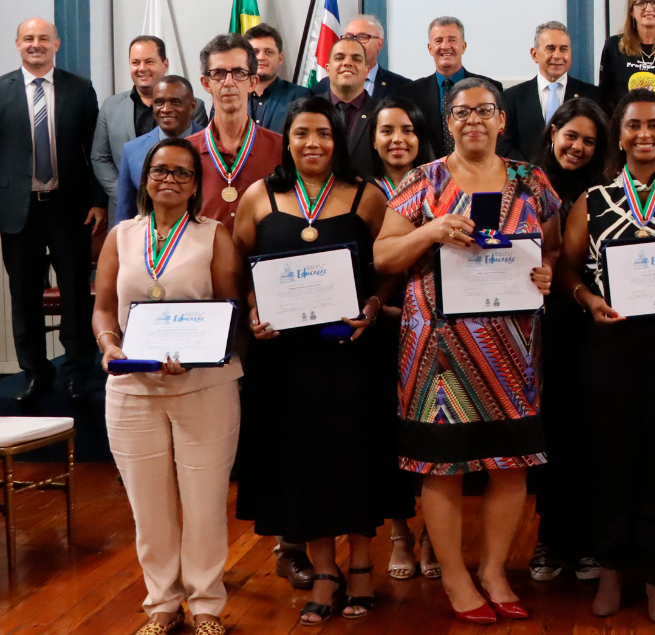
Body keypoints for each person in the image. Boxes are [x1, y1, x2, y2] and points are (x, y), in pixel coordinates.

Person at [375, 77, 561, 624]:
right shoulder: (422, 180)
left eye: (485, 110)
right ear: (447, 121)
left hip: (513, 350)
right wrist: (430, 231)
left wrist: (546, 275)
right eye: (462, 112)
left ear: (503, 120)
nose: (474, 119)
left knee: (511, 465)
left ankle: (495, 570)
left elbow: (547, 248)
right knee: (443, 468)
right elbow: (385, 256)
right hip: (437, 351)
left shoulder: (532, 180)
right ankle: (456, 576)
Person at [232, 96, 400, 624]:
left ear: (338, 141)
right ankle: (325, 572)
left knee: (356, 454)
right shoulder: (260, 196)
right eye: (302, 133)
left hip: (351, 353)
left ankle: (363, 566)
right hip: (285, 360)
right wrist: (255, 309)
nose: (313, 143)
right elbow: (238, 268)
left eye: (324, 134)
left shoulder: (367, 196)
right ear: (288, 139)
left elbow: (390, 264)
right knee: (305, 462)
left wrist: (374, 305)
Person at [556, 89, 655, 624]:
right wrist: (589, 300)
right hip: (611, 346)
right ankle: (610, 568)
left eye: (654, 125)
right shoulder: (592, 200)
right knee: (611, 459)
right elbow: (569, 271)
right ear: (618, 134)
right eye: (633, 126)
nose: (644, 135)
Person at [92, 138, 241, 635]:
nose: (169, 180)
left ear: (197, 185)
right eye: (160, 171)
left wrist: (200, 352)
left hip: (204, 386)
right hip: (132, 389)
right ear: (144, 178)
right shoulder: (121, 236)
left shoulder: (214, 235)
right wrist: (109, 344)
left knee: (203, 503)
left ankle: (205, 606)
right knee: (148, 506)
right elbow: (103, 308)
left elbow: (228, 306)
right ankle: (161, 601)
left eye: (181, 173)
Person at [0, 17, 106, 402]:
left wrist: (98, 200)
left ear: (56, 44)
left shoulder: (80, 89)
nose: (36, 44)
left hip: (69, 208)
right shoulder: (1, 90)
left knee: (76, 292)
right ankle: (35, 372)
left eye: (43, 38)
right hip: (17, 211)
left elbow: (94, 150)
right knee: (23, 294)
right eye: (28, 38)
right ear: (17, 44)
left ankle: (78, 368)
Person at [527, 97, 609, 584]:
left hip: (589, 324)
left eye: (589, 141)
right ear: (553, 131)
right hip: (537, 329)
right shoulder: (522, 183)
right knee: (550, 436)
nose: (577, 147)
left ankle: (592, 543)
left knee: (590, 433)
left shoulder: (604, 191)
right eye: (571, 135)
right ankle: (551, 540)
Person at [363, 94, 442, 583]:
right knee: (388, 431)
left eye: (408, 130)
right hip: (373, 327)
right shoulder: (360, 191)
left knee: (436, 429)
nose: (398, 139)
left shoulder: (441, 184)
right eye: (388, 130)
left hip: (433, 329)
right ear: (372, 138)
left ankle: (435, 535)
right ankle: (399, 534)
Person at [92, 35, 207, 219]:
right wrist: (129, 190)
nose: (142, 68)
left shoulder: (195, 108)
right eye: (135, 62)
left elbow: (200, 157)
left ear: (165, 63)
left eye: (149, 61)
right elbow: (100, 157)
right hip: (130, 212)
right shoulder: (110, 106)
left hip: (188, 214)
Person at [189, 34, 284, 231]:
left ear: (252, 82)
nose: (229, 82)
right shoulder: (186, 152)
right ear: (206, 83)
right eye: (219, 73)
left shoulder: (280, 148)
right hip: (207, 260)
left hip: (262, 259)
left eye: (239, 72)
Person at [400, 16, 504, 156]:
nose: (445, 46)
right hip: (430, 173)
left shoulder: (488, 88)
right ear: (430, 48)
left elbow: (501, 137)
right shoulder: (411, 93)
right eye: (438, 41)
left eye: (452, 40)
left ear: (463, 46)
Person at [501, 21, 602, 163]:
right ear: (534, 54)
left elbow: (600, 144)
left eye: (564, 49)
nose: (557, 55)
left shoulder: (592, 96)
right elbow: (504, 145)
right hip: (526, 180)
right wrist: (532, 175)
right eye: (550, 48)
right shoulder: (511, 98)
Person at [114, 75, 203, 225]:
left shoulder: (212, 147)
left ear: (192, 106)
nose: (166, 109)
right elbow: (124, 216)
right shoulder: (132, 150)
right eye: (159, 103)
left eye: (175, 102)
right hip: (149, 245)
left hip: (201, 242)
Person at [312, 14, 404, 103]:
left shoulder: (401, 87)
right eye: (349, 37)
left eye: (362, 37)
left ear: (379, 43)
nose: (354, 42)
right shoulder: (322, 87)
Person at [244, 23, 311, 134]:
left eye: (268, 52)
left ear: (280, 59)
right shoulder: (231, 96)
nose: (261, 57)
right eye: (255, 52)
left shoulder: (300, 97)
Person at [324, 36, 376, 174]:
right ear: (328, 69)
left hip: (370, 194)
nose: (347, 63)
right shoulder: (306, 112)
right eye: (339, 58)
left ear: (367, 71)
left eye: (356, 59)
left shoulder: (382, 113)